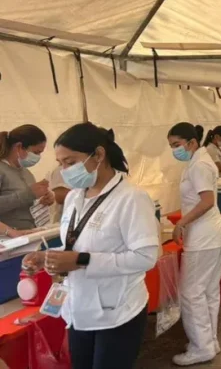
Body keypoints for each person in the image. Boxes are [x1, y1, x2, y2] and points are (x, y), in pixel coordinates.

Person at [21, 122, 159, 369]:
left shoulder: (131, 198)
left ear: (98, 155)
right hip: (78, 310)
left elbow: (145, 257)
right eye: (61, 163)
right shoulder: (75, 196)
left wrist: (81, 260)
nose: (64, 170)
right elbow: (75, 241)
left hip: (117, 312)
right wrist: (47, 257)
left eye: (71, 162)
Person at [168, 123, 221, 366]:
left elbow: (207, 201)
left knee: (191, 292)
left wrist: (181, 223)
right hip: (210, 235)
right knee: (207, 291)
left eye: (177, 145)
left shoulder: (200, 165)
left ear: (192, 143)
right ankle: (208, 340)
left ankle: (201, 346)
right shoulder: (199, 161)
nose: (174, 150)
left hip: (204, 236)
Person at [0, 125, 53, 231]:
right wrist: (29, 194)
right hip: (6, 241)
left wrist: (43, 200)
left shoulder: (26, 173)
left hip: (27, 234)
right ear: (19, 147)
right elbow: (25, 196)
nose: (38, 157)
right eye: (36, 152)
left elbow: (26, 202)